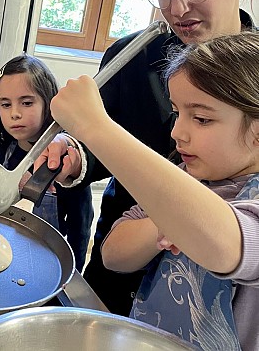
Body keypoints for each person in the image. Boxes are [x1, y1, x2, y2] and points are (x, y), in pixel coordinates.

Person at [35, 0, 258, 315]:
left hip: (222, 290)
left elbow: (237, 240)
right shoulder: (130, 56)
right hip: (127, 252)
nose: (179, 7)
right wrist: (76, 156)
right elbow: (101, 141)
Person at [49, 32, 259, 350]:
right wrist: (165, 225)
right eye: (177, 113)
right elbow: (113, 255)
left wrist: (96, 127)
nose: (177, 132)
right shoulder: (187, 176)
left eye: (201, 119)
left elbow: (227, 244)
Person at [0, 54, 93, 271]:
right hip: (0, 250)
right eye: (6, 104)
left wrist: (73, 273)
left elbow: (79, 228)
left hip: (44, 260)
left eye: (26, 103)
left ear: (49, 102)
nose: (15, 113)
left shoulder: (66, 163)